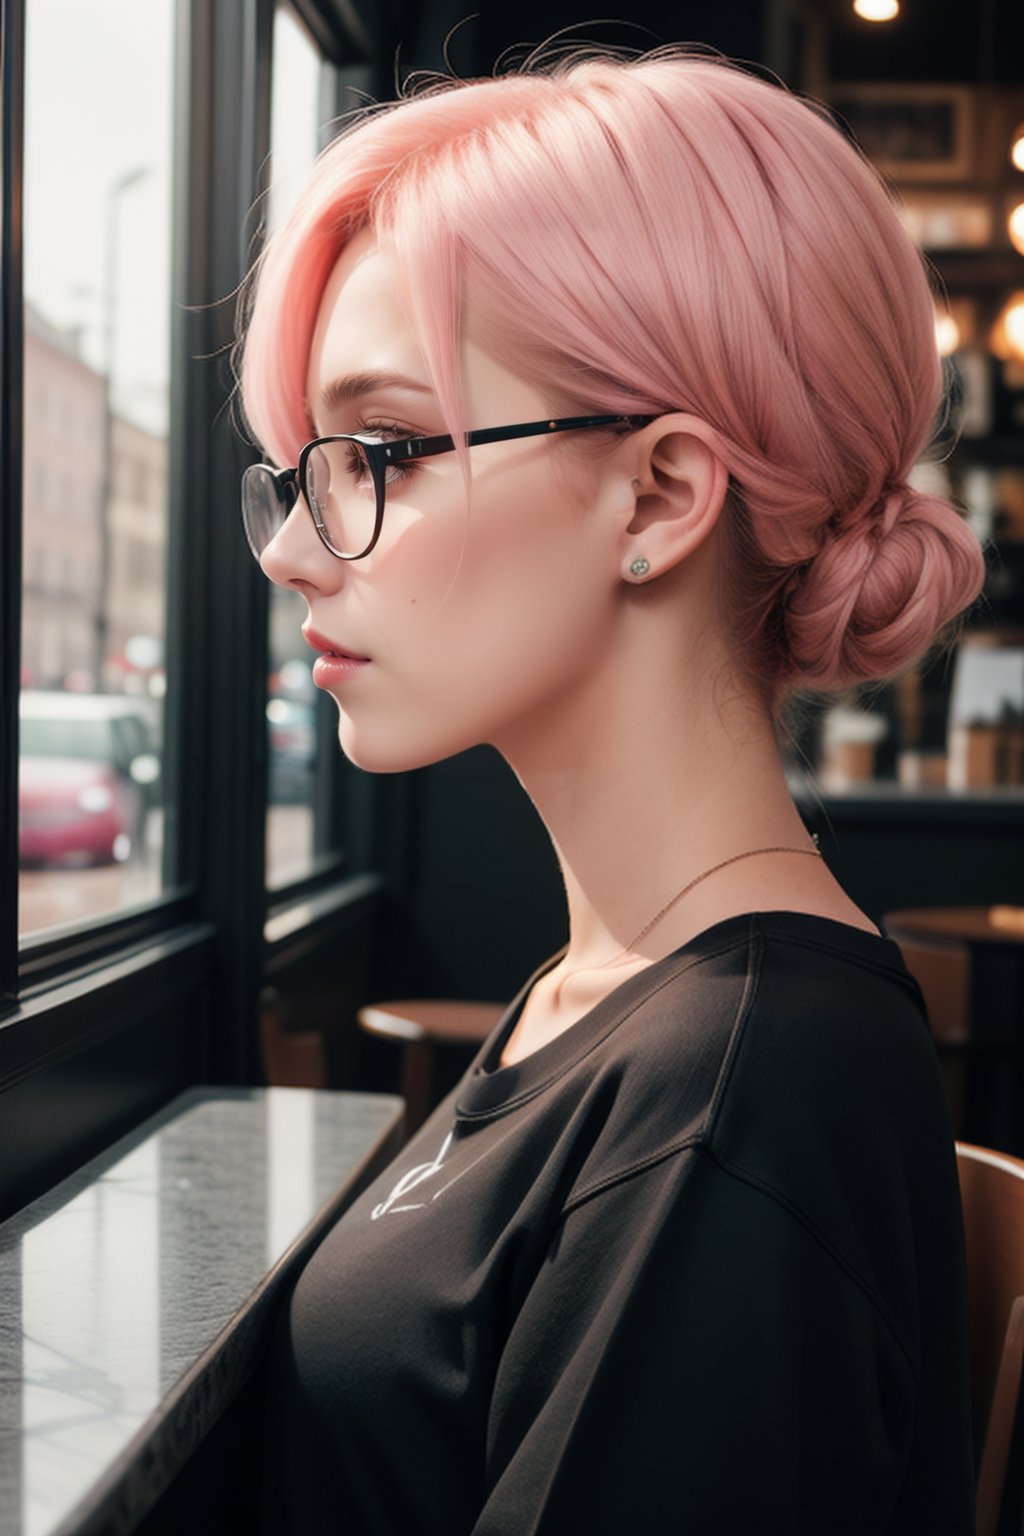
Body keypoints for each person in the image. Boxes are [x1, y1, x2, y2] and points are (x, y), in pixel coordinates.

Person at [237, 43, 984, 1534]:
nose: (293, 550)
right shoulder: (615, 989)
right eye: (307, 465)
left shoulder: (742, 1092)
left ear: (658, 496)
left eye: (383, 450)